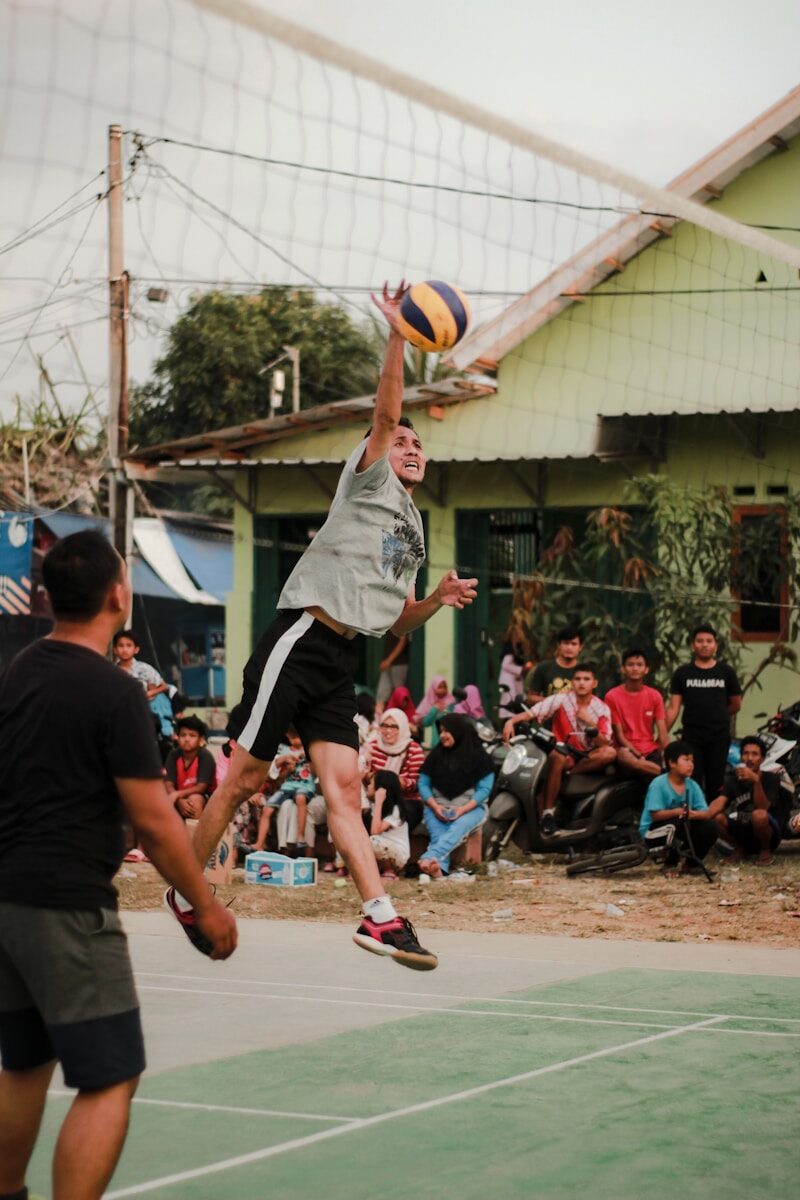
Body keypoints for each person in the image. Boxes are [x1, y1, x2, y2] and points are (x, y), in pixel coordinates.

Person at [169, 283, 478, 972]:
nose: (408, 442)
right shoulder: (368, 479)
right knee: (244, 782)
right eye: (400, 438)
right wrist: (399, 332)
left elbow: (396, 614)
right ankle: (188, 892)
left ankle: (382, 920)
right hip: (301, 640)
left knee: (342, 789)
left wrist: (438, 600)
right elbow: (388, 406)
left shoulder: (414, 529)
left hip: (341, 661)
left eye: (416, 443)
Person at [0, 531, 236, 1200]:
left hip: (8, 895)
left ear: (47, 598)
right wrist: (205, 906)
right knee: (108, 1077)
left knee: (24, 1060)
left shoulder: (19, 671)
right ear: (117, 596)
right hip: (68, 905)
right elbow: (158, 825)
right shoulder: (115, 693)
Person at [503, 662, 615, 831]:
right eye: (577, 679)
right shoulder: (561, 699)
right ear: (572, 682)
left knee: (609, 753)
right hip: (564, 751)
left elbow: (604, 743)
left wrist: (588, 721)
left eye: (586, 679)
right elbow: (532, 712)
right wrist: (511, 721)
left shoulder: (601, 708)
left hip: (589, 755)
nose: (581, 683)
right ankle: (548, 812)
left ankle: (568, 775)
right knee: (558, 755)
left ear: (594, 683)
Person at [666, 624, 742, 800]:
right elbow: (673, 708)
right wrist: (662, 736)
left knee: (716, 784)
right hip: (692, 738)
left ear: (715, 645)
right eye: (700, 641)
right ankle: (692, 823)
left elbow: (735, 705)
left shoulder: (726, 672)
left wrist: (717, 716)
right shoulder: (682, 673)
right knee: (691, 782)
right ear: (693, 645)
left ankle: (714, 823)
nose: (704, 645)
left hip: (719, 737)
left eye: (709, 641)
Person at [417, 714, 495, 879]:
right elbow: (423, 783)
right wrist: (435, 807)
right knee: (439, 831)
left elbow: (484, 790)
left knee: (457, 827)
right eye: (441, 731)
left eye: (448, 731)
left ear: (459, 732)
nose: (443, 735)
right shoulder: (436, 755)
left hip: (471, 809)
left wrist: (461, 810)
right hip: (436, 807)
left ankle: (429, 857)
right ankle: (439, 872)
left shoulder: (480, 758)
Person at [708, 735, 789, 865]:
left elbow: (763, 807)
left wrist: (756, 781)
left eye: (754, 754)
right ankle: (739, 849)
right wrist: (703, 815)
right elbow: (720, 802)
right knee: (716, 817)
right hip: (742, 829)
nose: (750, 758)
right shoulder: (733, 780)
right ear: (741, 757)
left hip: (768, 833)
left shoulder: (771, 779)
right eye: (746, 753)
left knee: (759, 815)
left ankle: (765, 851)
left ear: (762, 759)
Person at [639, 739, 718, 867]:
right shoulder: (658, 784)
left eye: (692, 761)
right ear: (672, 763)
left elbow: (706, 813)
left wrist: (692, 815)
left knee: (710, 827)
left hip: (680, 830)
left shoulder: (692, 785)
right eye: (686, 760)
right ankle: (670, 864)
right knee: (678, 823)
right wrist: (678, 812)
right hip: (654, 833)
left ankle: (692, 865)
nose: (691, 764)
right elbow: (655, 815)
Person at [605, 648, 668, 779]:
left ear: (646, 669)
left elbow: (663, 734)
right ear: (623, 669)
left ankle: (656, 772)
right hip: (626, 750)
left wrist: (662, 753)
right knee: (626, 758)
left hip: (650, 750)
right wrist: (639, 756)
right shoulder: (612, 696)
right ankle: (663, 774)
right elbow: (619, 736)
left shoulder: (655, 696)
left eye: (639, 665)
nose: (635, 668)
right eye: (630, 665)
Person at [366, 707, 426, 831]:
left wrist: (398, 782)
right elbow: (366, 777)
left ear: (403, 727)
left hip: (406, 799)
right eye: (384, 725)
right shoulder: (372, 746)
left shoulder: (414, 750)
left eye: (394, 727)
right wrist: (367, 776)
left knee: (405, 812)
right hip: (376, 799)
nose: (388, 731)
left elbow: (417, 783)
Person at [113, 627, 175, 743]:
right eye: (121, 646)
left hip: (142, 715)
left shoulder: (144, 668)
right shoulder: (111, 671)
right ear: (115, 650)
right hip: (119, 717)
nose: (124, 649)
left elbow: (164, 686)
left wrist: (150, 693)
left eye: (129, 645)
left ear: (136, 649)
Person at [164, 715, 217, 819]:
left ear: (200, 739)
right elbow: (168, 783)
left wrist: (177, 796)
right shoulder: (174, 754)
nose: (187, 739)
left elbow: (201, 788)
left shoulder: (205, 756)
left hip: (203, 797)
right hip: (177, 796)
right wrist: (178, 800)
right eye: (183, 735)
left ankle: (194, 834)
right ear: (177, 737)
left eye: (192, 735)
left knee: (194, 801)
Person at [524, 626, 583, 703]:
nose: (569, 647)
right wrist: (551, 702)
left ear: (580, 647)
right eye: (566, 643)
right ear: (558, 645)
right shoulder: (543, 668)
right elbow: (531, 698)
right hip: (548, 714)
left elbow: (592, 699)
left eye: (574, 644)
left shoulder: (585, 671)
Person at [375, 631, 410, 711]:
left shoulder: (401, 620)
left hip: (399, 663)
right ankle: (379, 719)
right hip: (388, 664)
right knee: (381, 695)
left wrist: (389, 660)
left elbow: (403, 640)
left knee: (400, 695)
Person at [417, 675, 456, 746]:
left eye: (445, 687)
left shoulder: (451, 702)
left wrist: (445, 711)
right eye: (440, 687)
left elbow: (454, 719)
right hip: (436, 743)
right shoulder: (429, 703)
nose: (443, 690)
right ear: (433, 688)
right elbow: (425, 723)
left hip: (450, 742)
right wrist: (434, 709)